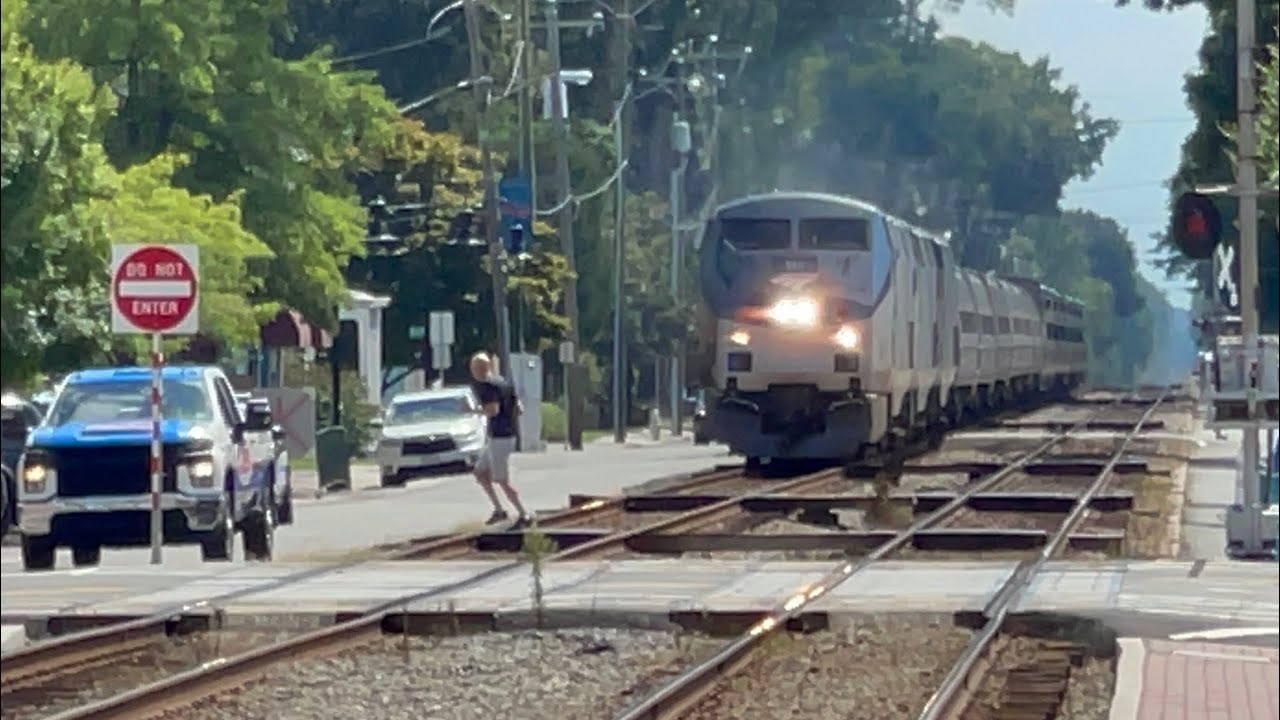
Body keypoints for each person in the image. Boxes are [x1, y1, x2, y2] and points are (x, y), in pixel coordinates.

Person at [469, 352, 530, 527]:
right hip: (503, 435)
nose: (473, 371)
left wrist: (473, 411)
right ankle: (499, 510)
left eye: (474, 368)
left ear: (481, 368)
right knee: (480, 472)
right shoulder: (504, 383)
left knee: (501, 479)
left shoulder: (488, 387)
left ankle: (524, 514)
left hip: (500, 438)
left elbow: (493, 410)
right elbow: (519, 409)